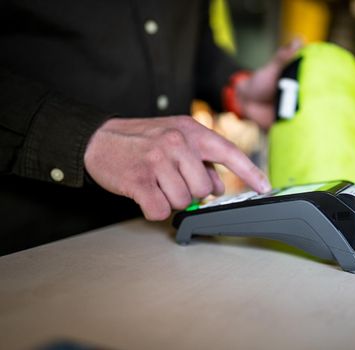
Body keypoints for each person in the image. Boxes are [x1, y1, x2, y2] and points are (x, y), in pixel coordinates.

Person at [0, 0, 299, 255]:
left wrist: (238, 89)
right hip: (33, 247)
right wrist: (87, 136)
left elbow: (192, 38)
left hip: (169, 234)